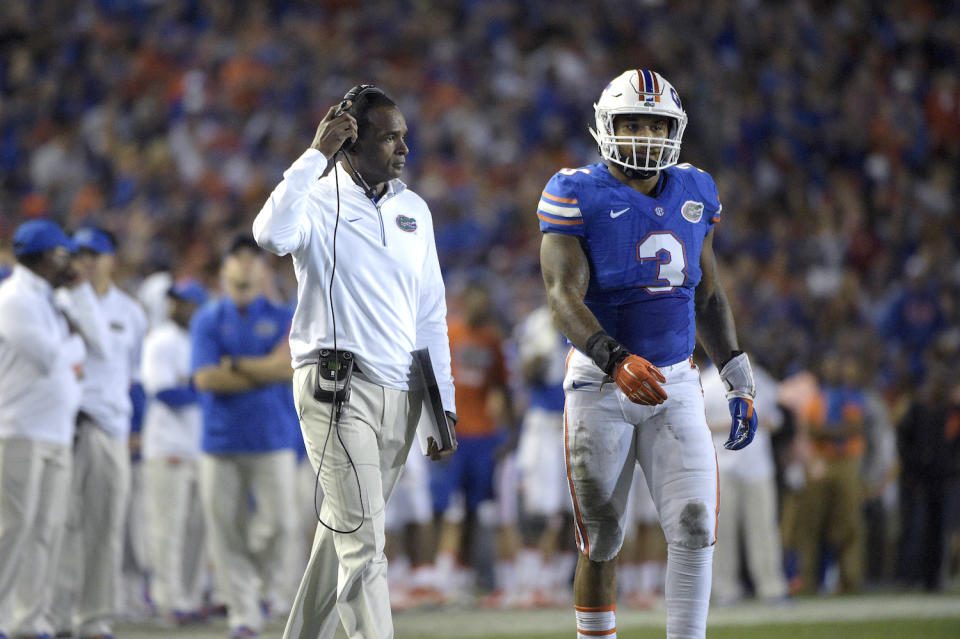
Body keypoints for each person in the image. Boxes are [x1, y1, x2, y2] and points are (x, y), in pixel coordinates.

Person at [538, 69, 759, 639]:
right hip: (600, 381)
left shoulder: (696, 189)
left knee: (693, 525)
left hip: (677, 381)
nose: (644, 135)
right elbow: (561, 297)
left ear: (676, 129)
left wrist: (736, 376)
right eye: (632, 122)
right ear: (606, 126)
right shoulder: (573, 190)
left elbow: (707, 293)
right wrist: (615, 359)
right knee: (603, 537)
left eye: (655, 124)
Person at [252, 84, 457, 639]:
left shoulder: (414, 208)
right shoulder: (316, 199)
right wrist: (315, 154)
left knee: (343, 536)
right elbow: (267, 234)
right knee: (365, 544)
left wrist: (444, 408)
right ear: (351, 139)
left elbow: (430, 314)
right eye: (389, 137)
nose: (403, 148)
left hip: (403, 395)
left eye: (404, 137)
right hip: (336, 388)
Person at [190, 236, 303, 639]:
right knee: (225, 530)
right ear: (224, 272)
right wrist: (263, 368)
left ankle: (255, 585)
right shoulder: (207, 318)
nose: (243, 268)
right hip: (219, 441)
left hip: (272, 437)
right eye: (235, 260)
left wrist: (235, 365)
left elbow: (288, 368)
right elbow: (205, 378)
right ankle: (243, 614)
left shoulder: (284, 314)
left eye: (251, 260)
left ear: (262, 271)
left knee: (279, 525)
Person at [52, 225, 148, 639]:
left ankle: (94, 618)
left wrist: (136, 428)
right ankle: (54, 616)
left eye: (94, 253)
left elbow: (134, 378)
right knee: (59, 525)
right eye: (78, 254)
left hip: (111, 425)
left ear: (111, 258)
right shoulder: (58, 303)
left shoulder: (131, 312)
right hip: (66, 424)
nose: (85, 261)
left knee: (106, 527)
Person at [0, 220, 85, 639]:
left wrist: (70, 340)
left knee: (45, 531)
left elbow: (78, 347)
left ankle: (28, 621)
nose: (67, 261)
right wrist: (70, 341)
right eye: (62, 253)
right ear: (44, 255)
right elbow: (49, 356)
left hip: (54, 431)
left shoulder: (48, 298)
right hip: (19, 428)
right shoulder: (14, 298)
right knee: (11, 530)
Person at [141, 280, 209, 623]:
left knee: (197, 530)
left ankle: (191, 597)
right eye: (174, 302)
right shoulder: (161, 340)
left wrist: (198, 386)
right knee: (168, 528)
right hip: (168, 446)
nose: (175, 308)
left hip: (200, 448)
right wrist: (209, 386)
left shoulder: (204, 342)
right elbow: (165, 392)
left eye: (183, 303)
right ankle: (168, 600)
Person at [702, 358, 788, 605]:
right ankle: (725, 589)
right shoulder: (706, 382)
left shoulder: (758, 378)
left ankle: (771, 587)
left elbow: (778, 418)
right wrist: (734, 425)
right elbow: (697, 424)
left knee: (763, 529)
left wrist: (753, 421)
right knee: (723, 531)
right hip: (721, 466)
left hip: (757, 466)